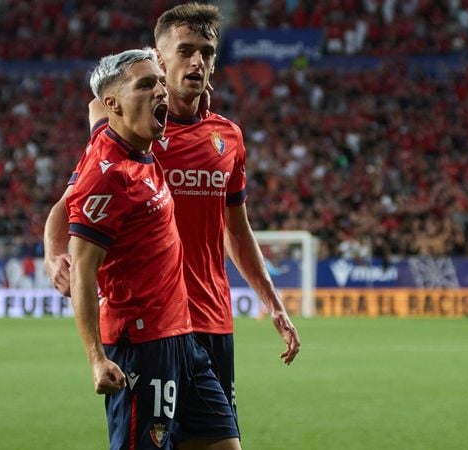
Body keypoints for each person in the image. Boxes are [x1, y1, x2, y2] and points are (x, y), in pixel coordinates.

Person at [45, 2, 301, 431]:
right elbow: (68, 202)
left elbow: (236, 230)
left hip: (213, 320)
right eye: (185, 50)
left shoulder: (228, 138)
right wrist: (56, 255)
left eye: (207, 51)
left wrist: (273, 304)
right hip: (151, 328)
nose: (197, 61)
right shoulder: (129, 133)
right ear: (160, 59)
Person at [68, 48, 241, 450]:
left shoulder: (137, 143)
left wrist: (189, 93)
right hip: (141, 345)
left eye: (159, 82)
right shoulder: (106, 177)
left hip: (183, 336)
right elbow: (82, 269)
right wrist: (96, 358)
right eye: (146, 85)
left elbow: (96, 107)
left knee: (224, 444)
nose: (160, 91)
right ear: (115, 104)